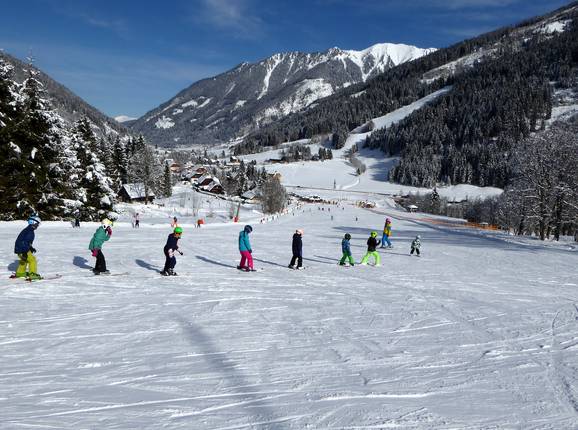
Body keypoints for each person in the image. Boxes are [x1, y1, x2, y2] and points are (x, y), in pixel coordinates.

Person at [13, 215, 42, 280]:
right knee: (32, 260)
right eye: (37, 224)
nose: (38, 226)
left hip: (20, 249)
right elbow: (24, 242)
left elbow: (25, 242)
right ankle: (32, 274)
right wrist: (24, 252)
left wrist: (30, 248)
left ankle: (20, 273)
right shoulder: (29, 232)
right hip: (23, 249)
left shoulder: (27, 230)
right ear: (33, 223)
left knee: (24, 260)